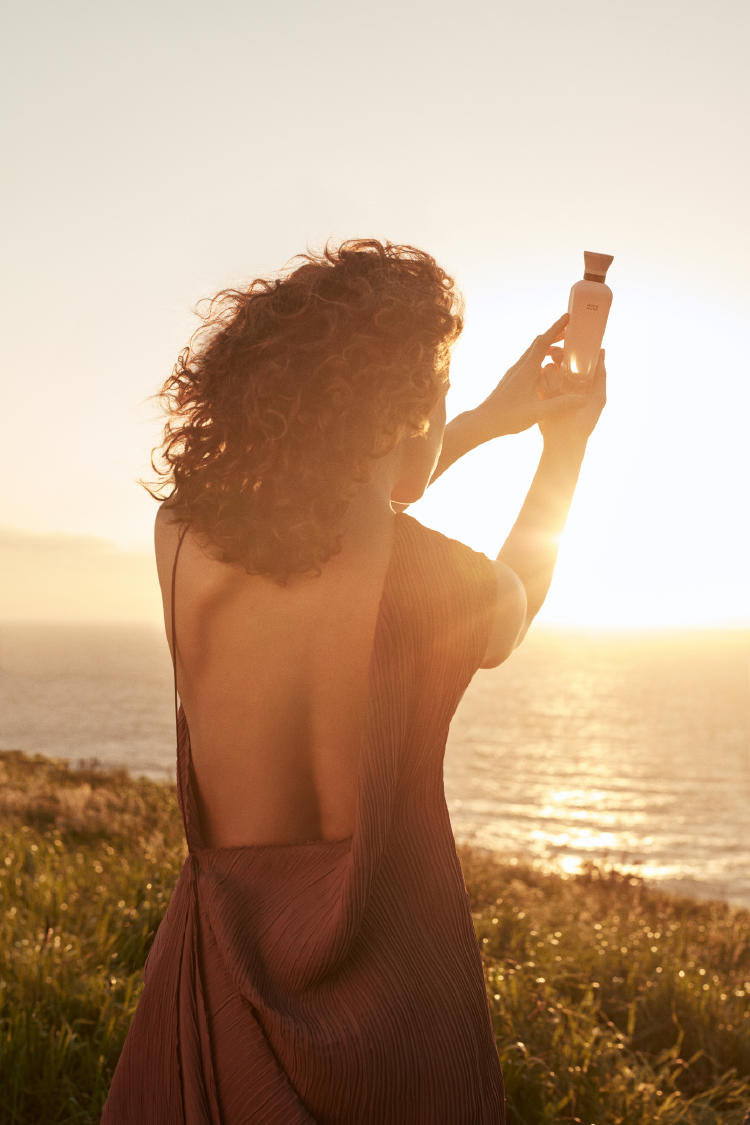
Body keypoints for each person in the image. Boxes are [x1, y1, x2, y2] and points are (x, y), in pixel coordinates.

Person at [100, 238, 606, 1124]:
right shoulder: (446, 584)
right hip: (393, 1005)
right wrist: (561, 448)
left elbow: (320, 510)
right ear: (395, 411)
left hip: (218, 982)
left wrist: (486, 416)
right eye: (438, 392)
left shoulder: (181, 539)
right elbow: (514, 600)